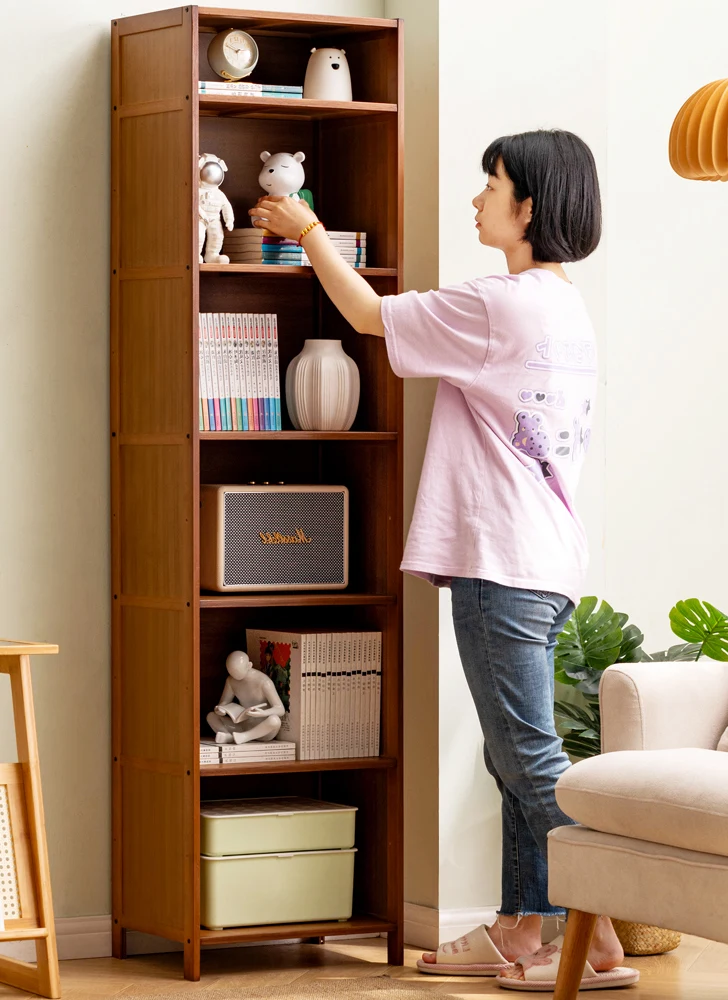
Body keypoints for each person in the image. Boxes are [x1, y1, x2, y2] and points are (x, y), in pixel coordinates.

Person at [250, 129, 635, 991]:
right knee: (515, 755)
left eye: (489, 184)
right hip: (545, 559)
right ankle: (517, 930)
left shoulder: (502, 303)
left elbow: (365, 315)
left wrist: (305, 227)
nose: (476, 198)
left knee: (528, 757)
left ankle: (597, 935)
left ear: (529, 205)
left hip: (500, 559)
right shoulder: (567, 309)